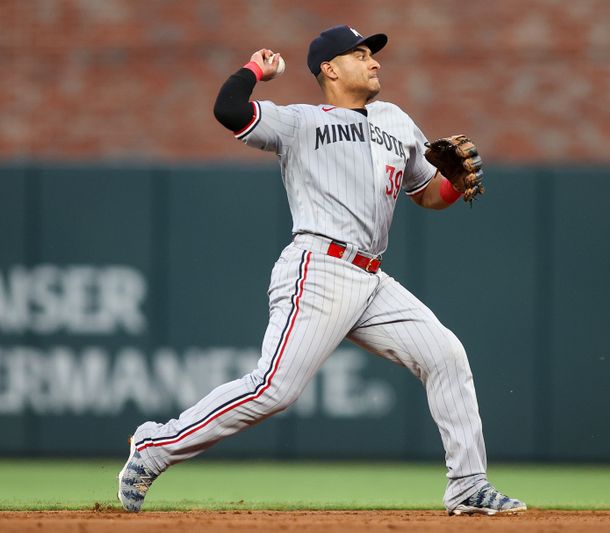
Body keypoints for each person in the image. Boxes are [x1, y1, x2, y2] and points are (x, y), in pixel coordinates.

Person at [117, 24, 526, 517]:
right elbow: (229, 111)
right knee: (273, 390)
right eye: (360, 55)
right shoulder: (300, 122)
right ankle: (154, 447)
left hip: (372, 279)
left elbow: (427, 194)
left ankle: (468, 487)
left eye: (373, 54)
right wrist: (254, 69)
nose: (374, 62)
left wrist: (455, 185)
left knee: (446, 355)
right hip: (319, 268)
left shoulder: (396, 121)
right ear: (329, 69)